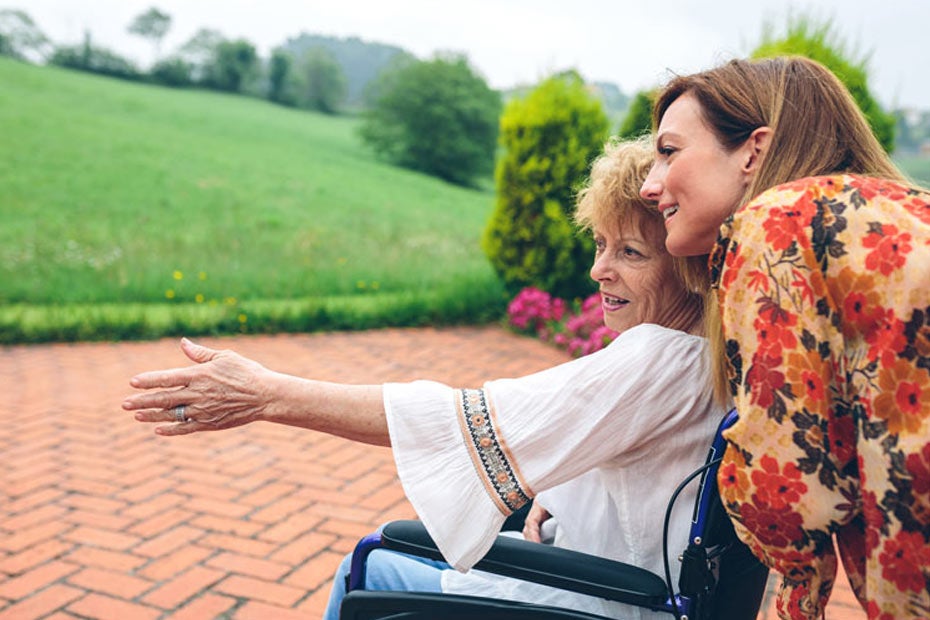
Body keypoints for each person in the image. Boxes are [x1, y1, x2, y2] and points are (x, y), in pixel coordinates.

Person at [124, 138, 724, 620]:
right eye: (599, 244)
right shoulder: (710, 353)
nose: (599, 270)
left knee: (368, 564)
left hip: (594, 602)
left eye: (630, 253)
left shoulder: (658, 357)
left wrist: (267, 394)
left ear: (690, 268)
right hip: (619, 584)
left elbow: (462, 422)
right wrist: (560, 491)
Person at [639, 55, 930, 620]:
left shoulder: (776, 224)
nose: (651, 185)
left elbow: (787, 493)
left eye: (669, 151)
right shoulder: (893, 213)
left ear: (754, 151)